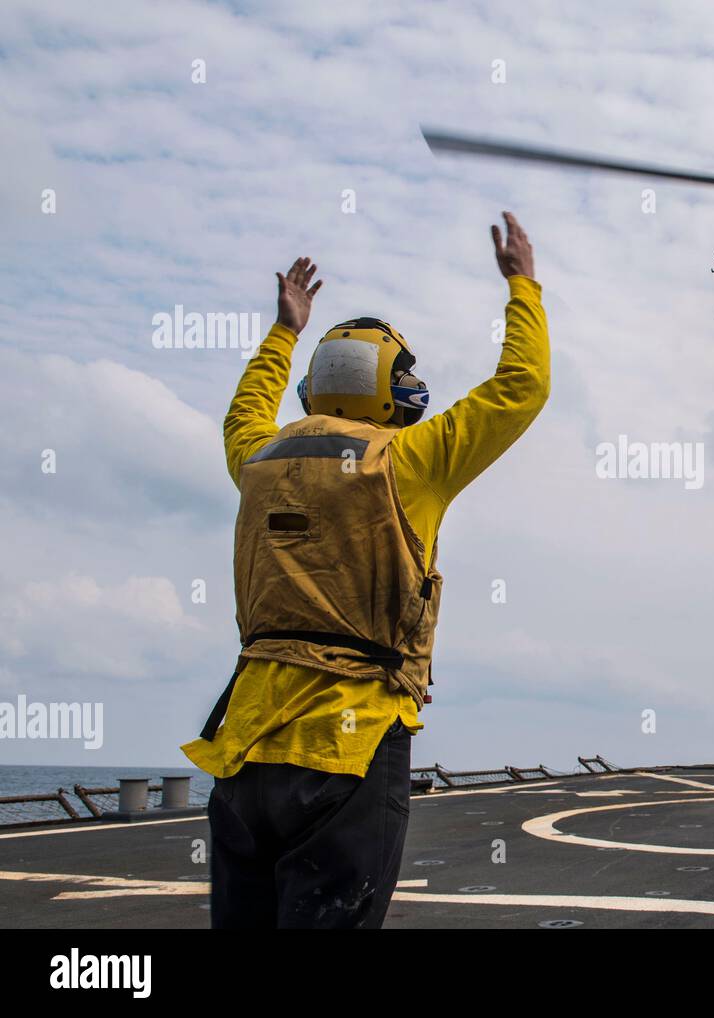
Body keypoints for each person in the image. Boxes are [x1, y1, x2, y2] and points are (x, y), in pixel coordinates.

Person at [181, 212, 549, 929]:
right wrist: (523, 289)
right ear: (387, 388)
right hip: (349, 746)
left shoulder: (258, 461)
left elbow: (244, 412)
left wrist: (284, 331)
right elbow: (520, 388)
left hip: (245, 748)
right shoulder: (408, 462)